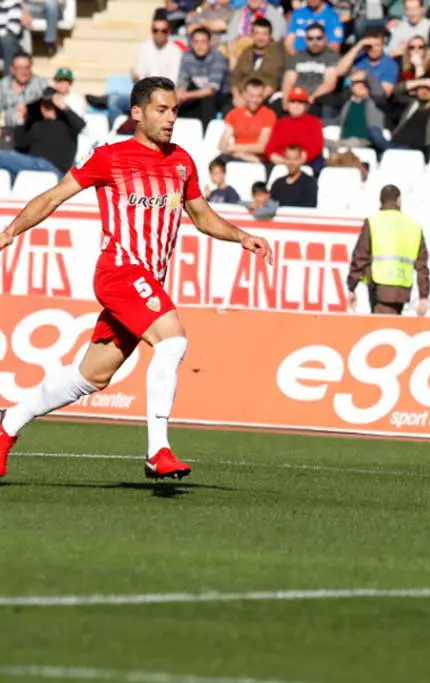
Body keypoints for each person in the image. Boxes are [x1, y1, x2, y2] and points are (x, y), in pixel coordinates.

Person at [0, 76, 273, 480]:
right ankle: (157, 451)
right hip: (120, 272)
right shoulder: (110, 156)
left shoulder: (181, 161)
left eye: (175, 110)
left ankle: (7, 426)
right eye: (162, 110)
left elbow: (200, 216)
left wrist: (242, 235)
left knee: (91, 376)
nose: (170, 118)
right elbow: (55, 196)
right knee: (173, 339)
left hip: (148, 282)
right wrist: (9, 232)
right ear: (137, 113)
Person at [346, 184, 430, 316]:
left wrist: (352, 286)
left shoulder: (373, 221)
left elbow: (360, 256)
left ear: (381, 201)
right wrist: (424, 296)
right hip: (402, 288)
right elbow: (422, 265)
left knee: (384, 329)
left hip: (379, 287)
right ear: (399, 200)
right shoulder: (413, 225)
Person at [0, 87, 84, 179]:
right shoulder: (37, 125)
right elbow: (20, 145)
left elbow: (81, 125)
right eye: (43, 104)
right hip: (33, 166)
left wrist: (63, 106)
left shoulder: (68, 124)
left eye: (50, 105)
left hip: (54, 170)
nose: (45, 108)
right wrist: (21, 118)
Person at [372, 80, 430, 154]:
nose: (424, 91)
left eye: (429, 89)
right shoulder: (408, 104)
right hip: (395, 145)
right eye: (421, 88)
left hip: (421, 149)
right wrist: (420, 82)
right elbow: (393, 92)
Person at [281, 22, 340, 119]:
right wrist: (286, 100)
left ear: (325, 38)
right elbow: (288, 80)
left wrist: (309, 100)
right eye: (310, 39)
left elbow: (329, 84)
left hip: (317, 98)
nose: (315, 42)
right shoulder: (298, 56)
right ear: (305, 40)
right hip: (297, 97)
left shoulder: (332, 56)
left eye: (319, 38)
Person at [177, 27, 230, 131]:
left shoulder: (217, 57)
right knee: (177, 103)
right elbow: (182, 81)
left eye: (203, 42)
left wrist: (186, 95)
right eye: (196, 42)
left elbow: (212, 90)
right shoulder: (187, 56)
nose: (199, 46)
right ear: (191, 43)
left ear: (209, 43)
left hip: (220, 95)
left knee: (206, 102)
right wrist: (179, 94)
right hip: (197, 92)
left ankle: (205, 137)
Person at [265, 87, 325, 172]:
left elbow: (316, 147)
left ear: (306, 105)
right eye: (293, 101)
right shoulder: (281, 123)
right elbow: (270, 147)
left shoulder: (314, 122)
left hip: (306, 162)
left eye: (300, 102)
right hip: (282, 161)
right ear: (288, 104)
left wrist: (297, 160)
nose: (296, 105)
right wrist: (275, 157)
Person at [230, 17, 286, 105]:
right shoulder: (246, 52)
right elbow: (234, 78)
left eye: (264, 34)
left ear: (270, 36)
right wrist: (237, 96)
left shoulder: (278, 54)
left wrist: (254, 99)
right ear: (252, 35)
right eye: (257, 33)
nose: (260, 38)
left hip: (266, 98)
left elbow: (274, 82)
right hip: (243, 96)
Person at [219, 78, 276, 163]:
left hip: (256, 159)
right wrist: (238, 153)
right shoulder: (234, 114)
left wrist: (233, 148)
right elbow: (222, 144)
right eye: (251, 96)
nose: (254, 100)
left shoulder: (268, 115)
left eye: (259, 96)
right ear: (244, 94)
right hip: (235, 156)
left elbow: (261, 147)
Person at [336, 28, 400, 99]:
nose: (373, 49)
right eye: (370, 46)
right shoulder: (358, 57)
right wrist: (359, 45)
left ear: (382, 46)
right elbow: (339, 71)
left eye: (377, 45)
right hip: (347, 98)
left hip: (370, 103)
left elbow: (384, 95)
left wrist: (366, 78)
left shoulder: (390, 64)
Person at [336, 70, 385, 148]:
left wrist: (367, 75)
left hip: (364, 142)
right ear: (351, 88)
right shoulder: (347, 105)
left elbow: (379, 92)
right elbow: (338, 120)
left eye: (364, 84)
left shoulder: (374, 102)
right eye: (357, 83)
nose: (361, 85)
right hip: (344, 141)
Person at [0, 52, 48, 129]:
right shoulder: (3, 85)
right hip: (10, 130)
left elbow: (48, 111)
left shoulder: (41, 84)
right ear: (12, 69)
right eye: (19, 68)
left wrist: (29, 110)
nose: (24, 72)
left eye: (27, 67)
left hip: (34, 130)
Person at [396, 36, 430, 103]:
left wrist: (418, 66)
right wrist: (424, 82)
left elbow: (426, 92)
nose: (416, 50)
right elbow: (399, 90)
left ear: (425, 50)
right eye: (412, 47)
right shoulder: (405, 71)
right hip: (410, 106)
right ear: (408, 51)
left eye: (420, 47)